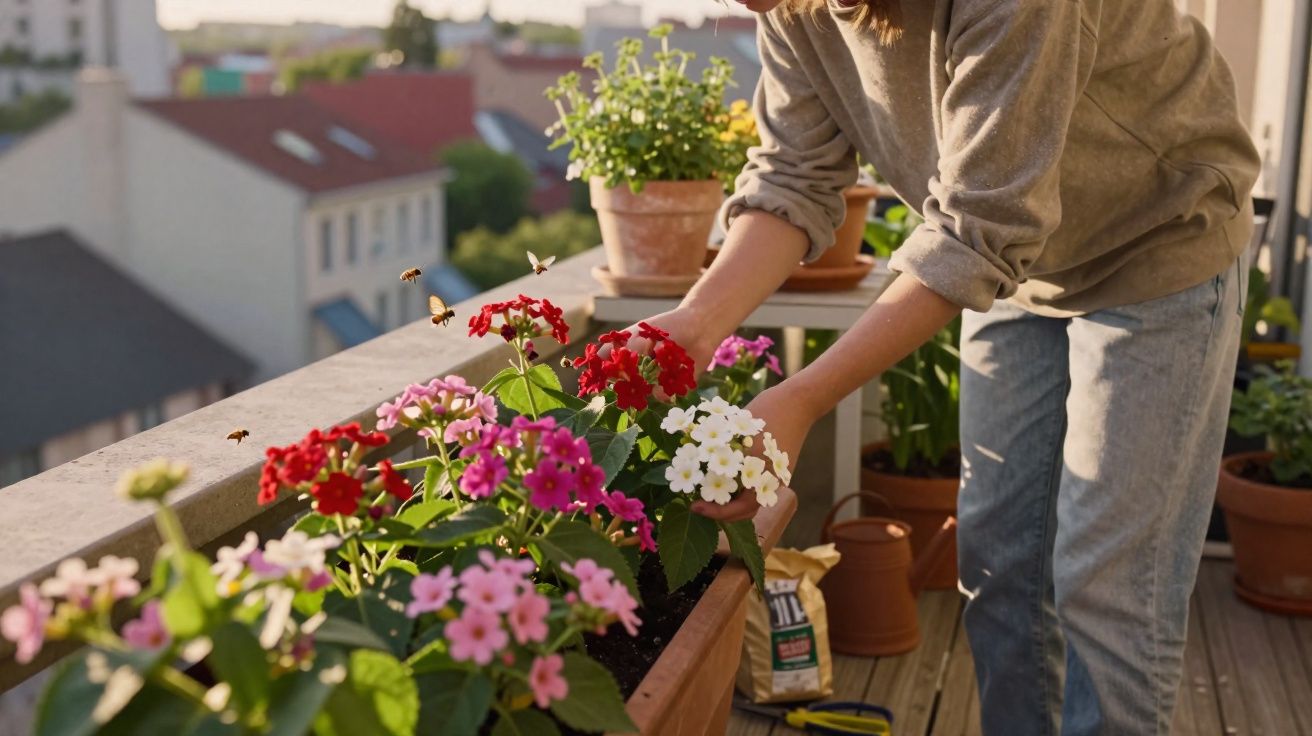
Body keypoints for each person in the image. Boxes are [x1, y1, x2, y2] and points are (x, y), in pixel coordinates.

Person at [626, 0, 1260, 734]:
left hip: (1159, 245)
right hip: (1022, 268)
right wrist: (694, 325)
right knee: (999, 570)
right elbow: (794, 176)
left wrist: (800, 400)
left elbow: (977, 227)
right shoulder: (793, 6)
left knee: (1108, 586)